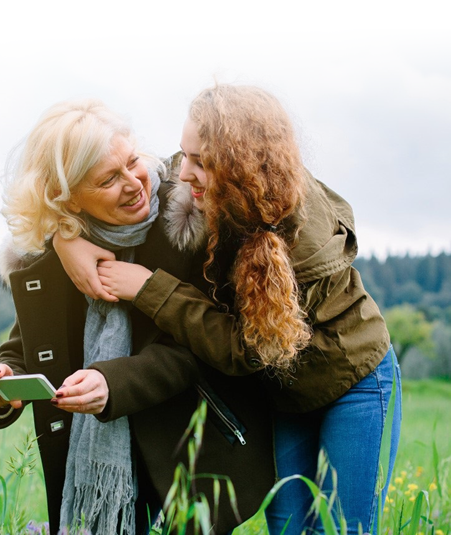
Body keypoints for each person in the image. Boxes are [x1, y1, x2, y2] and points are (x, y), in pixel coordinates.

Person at [53, 84, 402, 534]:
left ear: (242, 165)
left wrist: (149, 289)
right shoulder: (210, 183)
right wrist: (66, 240)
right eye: (186, 156)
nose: (184, 174)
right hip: (288, 393)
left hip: (354, 383)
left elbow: (248, 349)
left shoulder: (301, 245)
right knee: (288, 526)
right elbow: (132, 176)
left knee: (342, 527)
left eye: (203, 163)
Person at [0, 97, 275, 535]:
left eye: (133, 161)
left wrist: (111, 383)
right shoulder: (53, 256)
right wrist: (3, 384)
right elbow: (28, 348)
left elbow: (199, 348)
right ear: (68, 199)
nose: (134, 182)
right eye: (108, 179)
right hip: (98, 467)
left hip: (185, 452)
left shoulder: (187, 221)